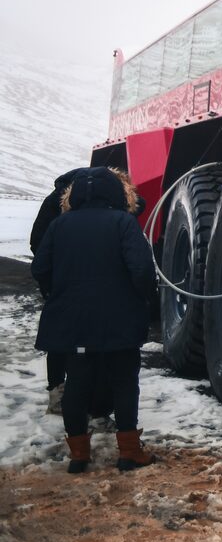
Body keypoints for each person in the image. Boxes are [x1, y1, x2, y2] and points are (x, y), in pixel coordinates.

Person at [32, 167, 158, 473]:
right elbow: (141, 269)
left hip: (73, 320)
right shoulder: (124, 223)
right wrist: (144, 298)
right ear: (116, 193)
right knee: (125, 380)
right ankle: (129, 451)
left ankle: (79, 455)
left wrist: (56, 292)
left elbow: (40, 268)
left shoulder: (60, 225)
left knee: (76, 382)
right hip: (119, 318)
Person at [30, 168, 87, 415]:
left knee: (59, 338)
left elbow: (36, 242)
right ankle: (66, 392)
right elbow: (38, 242)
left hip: (57, 282)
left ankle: (59, 392)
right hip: (65, 282)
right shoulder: (61, 203)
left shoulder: (57, 201)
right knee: (75, 338)